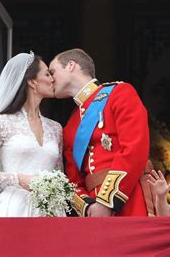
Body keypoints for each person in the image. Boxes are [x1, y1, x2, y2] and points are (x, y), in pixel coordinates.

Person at [49, 48, 150, 217]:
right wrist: (88, 207)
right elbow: (73, 181)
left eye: (52, 72)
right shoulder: (71, 125)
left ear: (71, 66)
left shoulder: (119, 93)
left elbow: (134, 150)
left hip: (129, 200)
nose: (50, 79)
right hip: (94, 212)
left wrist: (106, 201)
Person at [0, 52, 63, 217]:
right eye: (47, 74)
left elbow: (59, 174)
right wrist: (17, 179)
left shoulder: (56, 128)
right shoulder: (2, 123)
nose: (52, 79)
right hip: (13, 209)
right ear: (31, 81)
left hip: (49, 211)